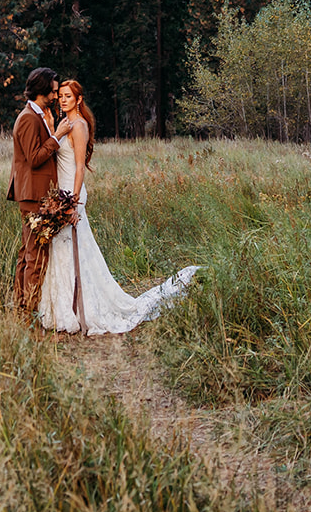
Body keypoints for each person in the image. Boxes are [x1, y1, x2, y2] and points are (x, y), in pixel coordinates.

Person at [38, 79, 197, 335]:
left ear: (79, 100)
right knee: (61, 249)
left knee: (74, 248)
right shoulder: (63, 124)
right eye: (61, 96)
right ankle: (63, 308)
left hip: (71, 194)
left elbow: (79, 167)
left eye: (68, 96)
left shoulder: (79, 126)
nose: (63, 100)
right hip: (60, 193)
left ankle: (82, 308)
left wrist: (73, 203)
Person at [8, 66, 63, 310]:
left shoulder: (39, 115)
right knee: (36, 257)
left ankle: (21, 306)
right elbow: (34, 158)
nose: (55, 96)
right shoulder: (29, 118)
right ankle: (29, 313)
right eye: (52, 92)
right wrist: (57, 137)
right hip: (33, 196)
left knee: (27, 253)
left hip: (36, 194)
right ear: (41, 91)